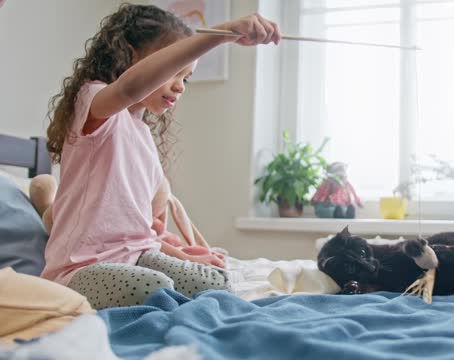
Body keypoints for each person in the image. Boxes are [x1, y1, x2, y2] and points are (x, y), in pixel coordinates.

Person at [36, 3, 281, 309]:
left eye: (187, 78)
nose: (180, 86)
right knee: (157, 288)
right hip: (79, 269)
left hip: (138, 256)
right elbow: (128, 89)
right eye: (174, 71)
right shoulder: (94, 101)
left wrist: (184, 257)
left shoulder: (142, 136)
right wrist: (223, 34)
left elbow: (142, 233)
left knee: (217, 282)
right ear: (129, 54)